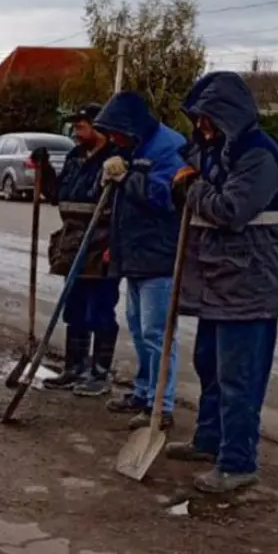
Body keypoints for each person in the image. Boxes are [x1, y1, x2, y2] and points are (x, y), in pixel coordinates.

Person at [166, 72, 278, 493]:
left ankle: (238, 463)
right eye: (198, 120)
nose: (201, 128)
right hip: (220, 283)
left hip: (250, 286)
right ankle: (209, 440)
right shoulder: (222, 151)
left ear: (229, 116)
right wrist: (188, 173)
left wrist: (191, 187)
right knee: (210, 367)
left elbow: (229, 209)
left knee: (240, 379)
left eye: (207, 120)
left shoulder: (259, 156)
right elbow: (193, 173)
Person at [91, 91, 186, 430]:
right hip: (134, 254)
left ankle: (162, 405)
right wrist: (108, 178)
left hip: (160, 255)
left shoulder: (168, 149)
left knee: (157, 334)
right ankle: (144, 393)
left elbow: (167, 197)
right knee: (139, 328)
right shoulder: (132, 146)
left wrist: (126, 178)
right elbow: (122, 204)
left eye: (115, 133)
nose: (113, 140)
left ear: (130, 127)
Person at [32, 103, 121, 396]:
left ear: (99, 128)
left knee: (100, 309)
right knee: (75, 308)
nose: (76, 131)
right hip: (73, 242)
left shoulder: (115, 161)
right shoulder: (74, 156)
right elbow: (58, 194)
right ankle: (74, 367)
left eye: (81, 126)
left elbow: (125, 207)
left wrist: (115, 245)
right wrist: (43, 170)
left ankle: (99, 373)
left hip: (101, 243)